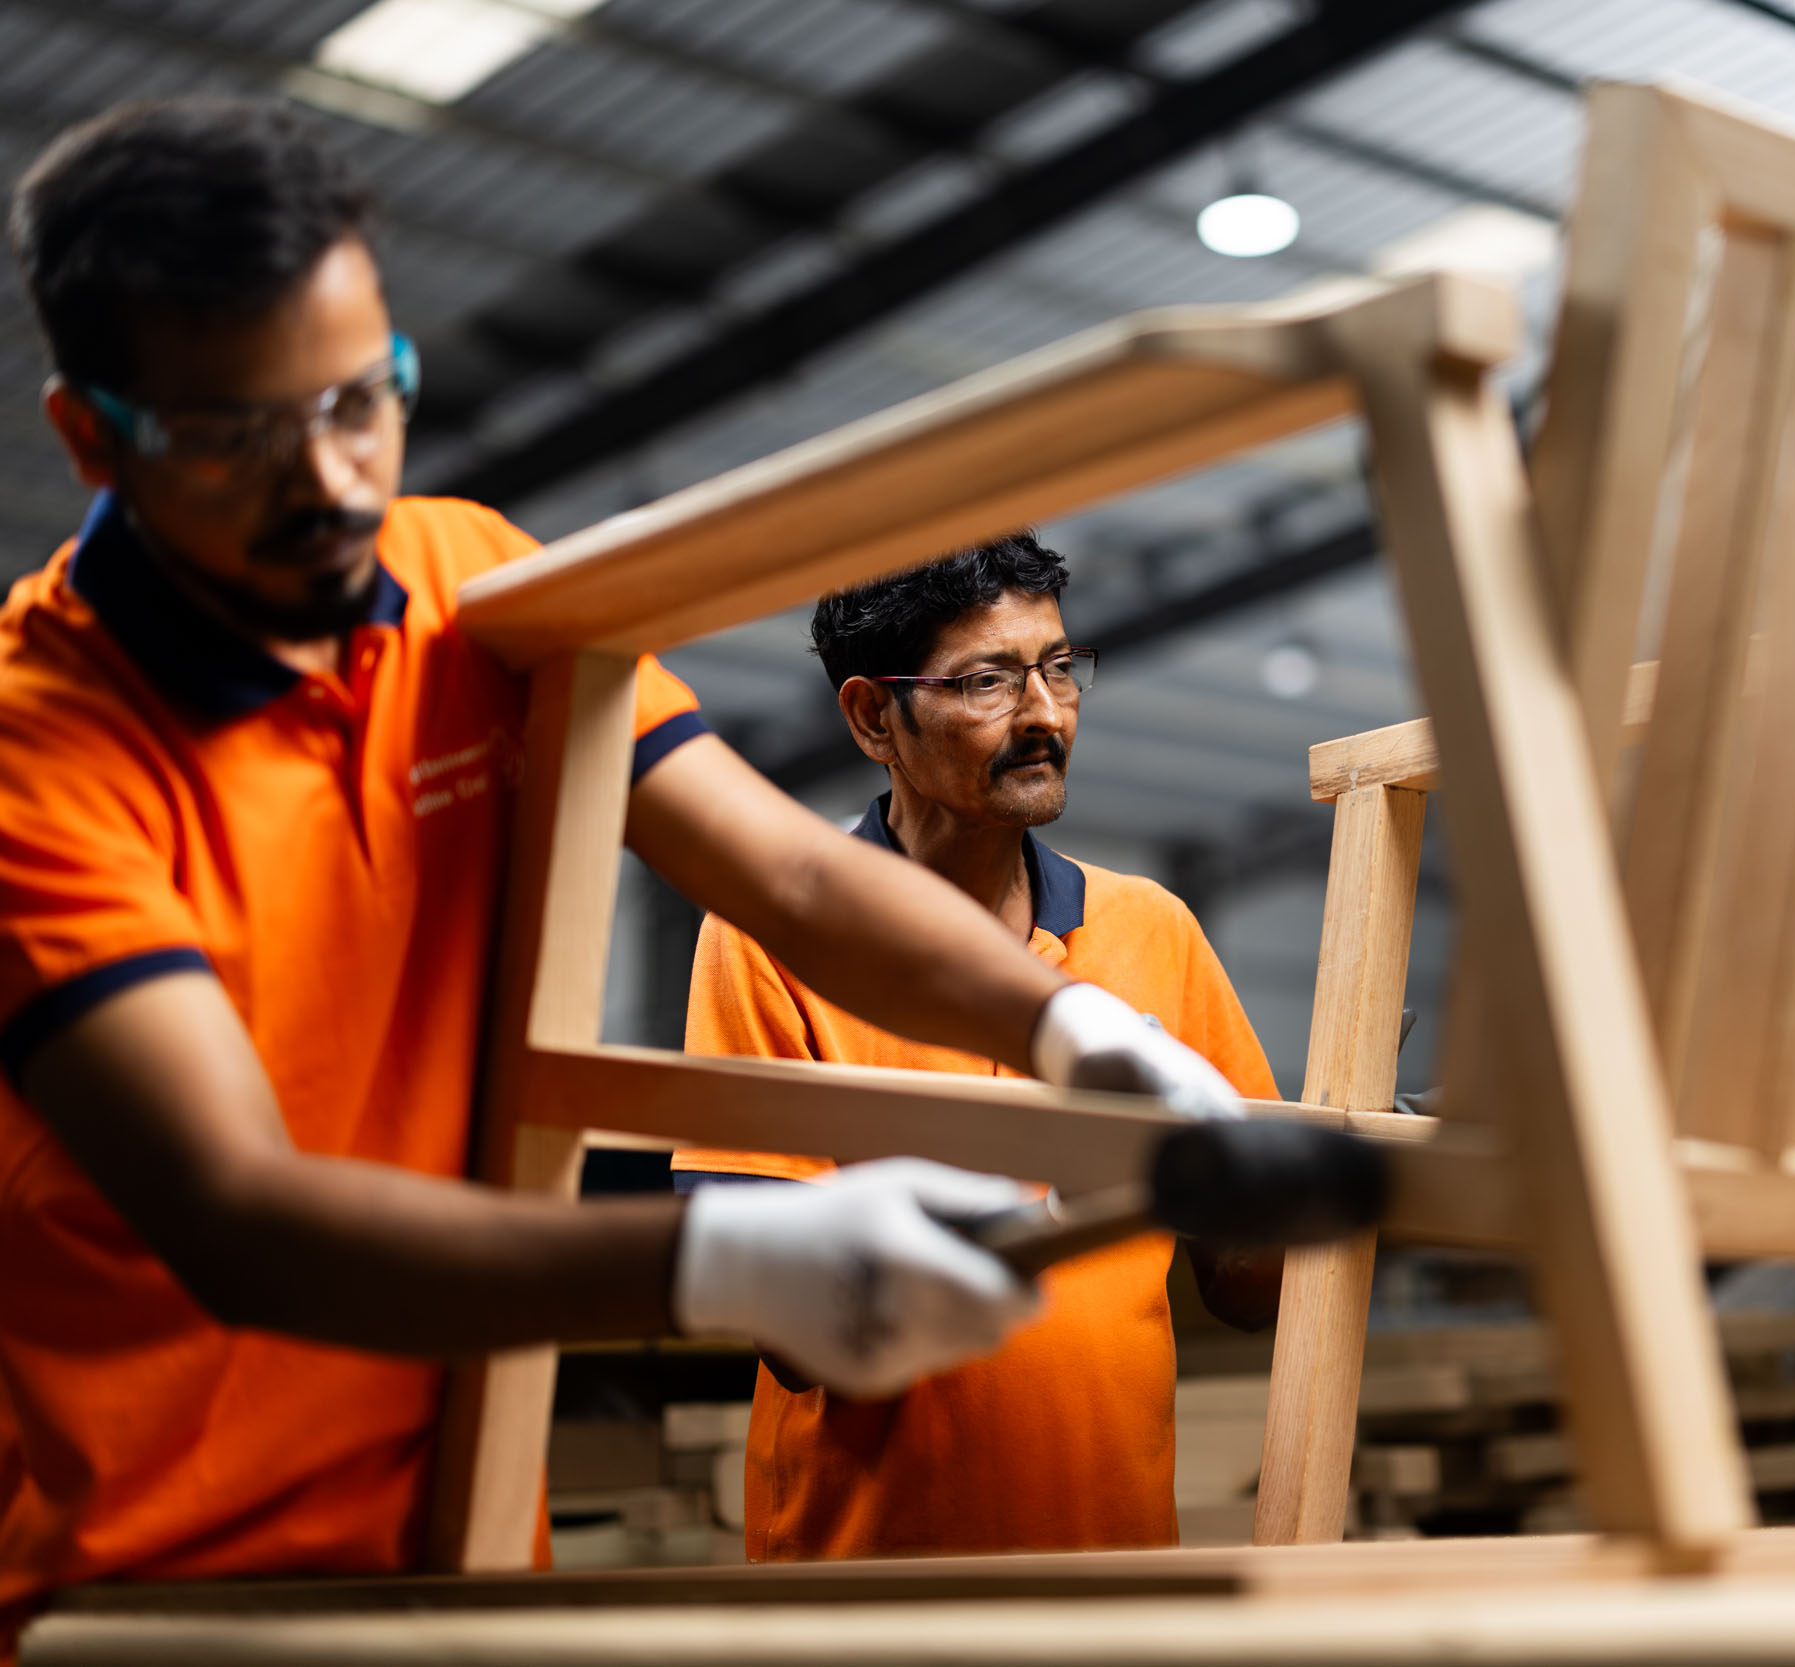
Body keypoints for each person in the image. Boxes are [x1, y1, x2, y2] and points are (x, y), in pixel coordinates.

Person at [0, 99, 1243, 1647]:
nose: (330, 480)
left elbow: (784, 868)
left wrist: (1069, 1030)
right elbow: (239, 1217)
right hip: (161, 1583)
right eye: (239, 436)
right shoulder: (39, 758)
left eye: (361, 401)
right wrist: (720, 1254)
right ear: (89, 433)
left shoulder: (458, 584)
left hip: (464, 1538)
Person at [671, 534, 1284, 1559]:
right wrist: (1059, 1208)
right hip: (867, 1588)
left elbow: (1252, 1286)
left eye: (1056, 666)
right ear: (874, 716)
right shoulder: (770, 937)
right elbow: (777, 1324)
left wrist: (1323, 1175)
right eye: (986, 680)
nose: (1043, 713)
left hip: (1117, 1573)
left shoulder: (1152, 929)